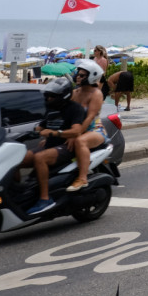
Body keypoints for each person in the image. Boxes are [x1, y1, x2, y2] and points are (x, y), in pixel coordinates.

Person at [23, 77, 85, 215]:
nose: (48, 99)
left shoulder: (75, 109)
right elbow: (41, 126)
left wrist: (55, 133)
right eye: (47, 95)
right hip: (49, 145)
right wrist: (31, 132)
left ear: (63, 96)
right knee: (17, 158)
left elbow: (76, 130)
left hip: (65, 147)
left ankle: (45, 199)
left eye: (52, 96)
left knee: (40, 158)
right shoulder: (51, 109)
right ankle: (19, 194)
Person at [64, 59, 108, 192]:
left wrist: (75, 134)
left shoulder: (96, 94)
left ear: (91, 76)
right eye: (78, 74)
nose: (78, 76)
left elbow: (90, 117)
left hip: (95, 130)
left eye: (82, 75)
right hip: (76, 129)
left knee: (80, 141)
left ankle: (82, 178)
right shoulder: (75, 93)